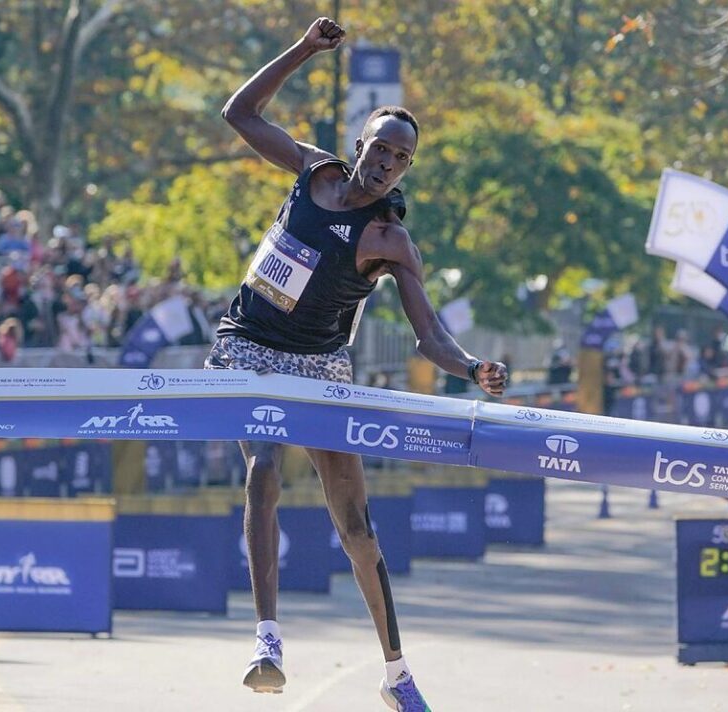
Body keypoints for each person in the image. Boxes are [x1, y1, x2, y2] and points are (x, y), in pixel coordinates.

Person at [207, 17, 508, 711]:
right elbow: (238, 112)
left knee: (357, 529)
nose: (384, 164)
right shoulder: (312, 172)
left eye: (398, 160)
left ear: (406, 171)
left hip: (319, 364)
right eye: (378, 149)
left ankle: (397, 674)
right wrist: (306, 50)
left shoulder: (390, 241)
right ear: (359, 146)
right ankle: (267, 641)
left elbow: (428, 334)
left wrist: (471, 369)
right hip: (247, 345)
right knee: (264, 468)